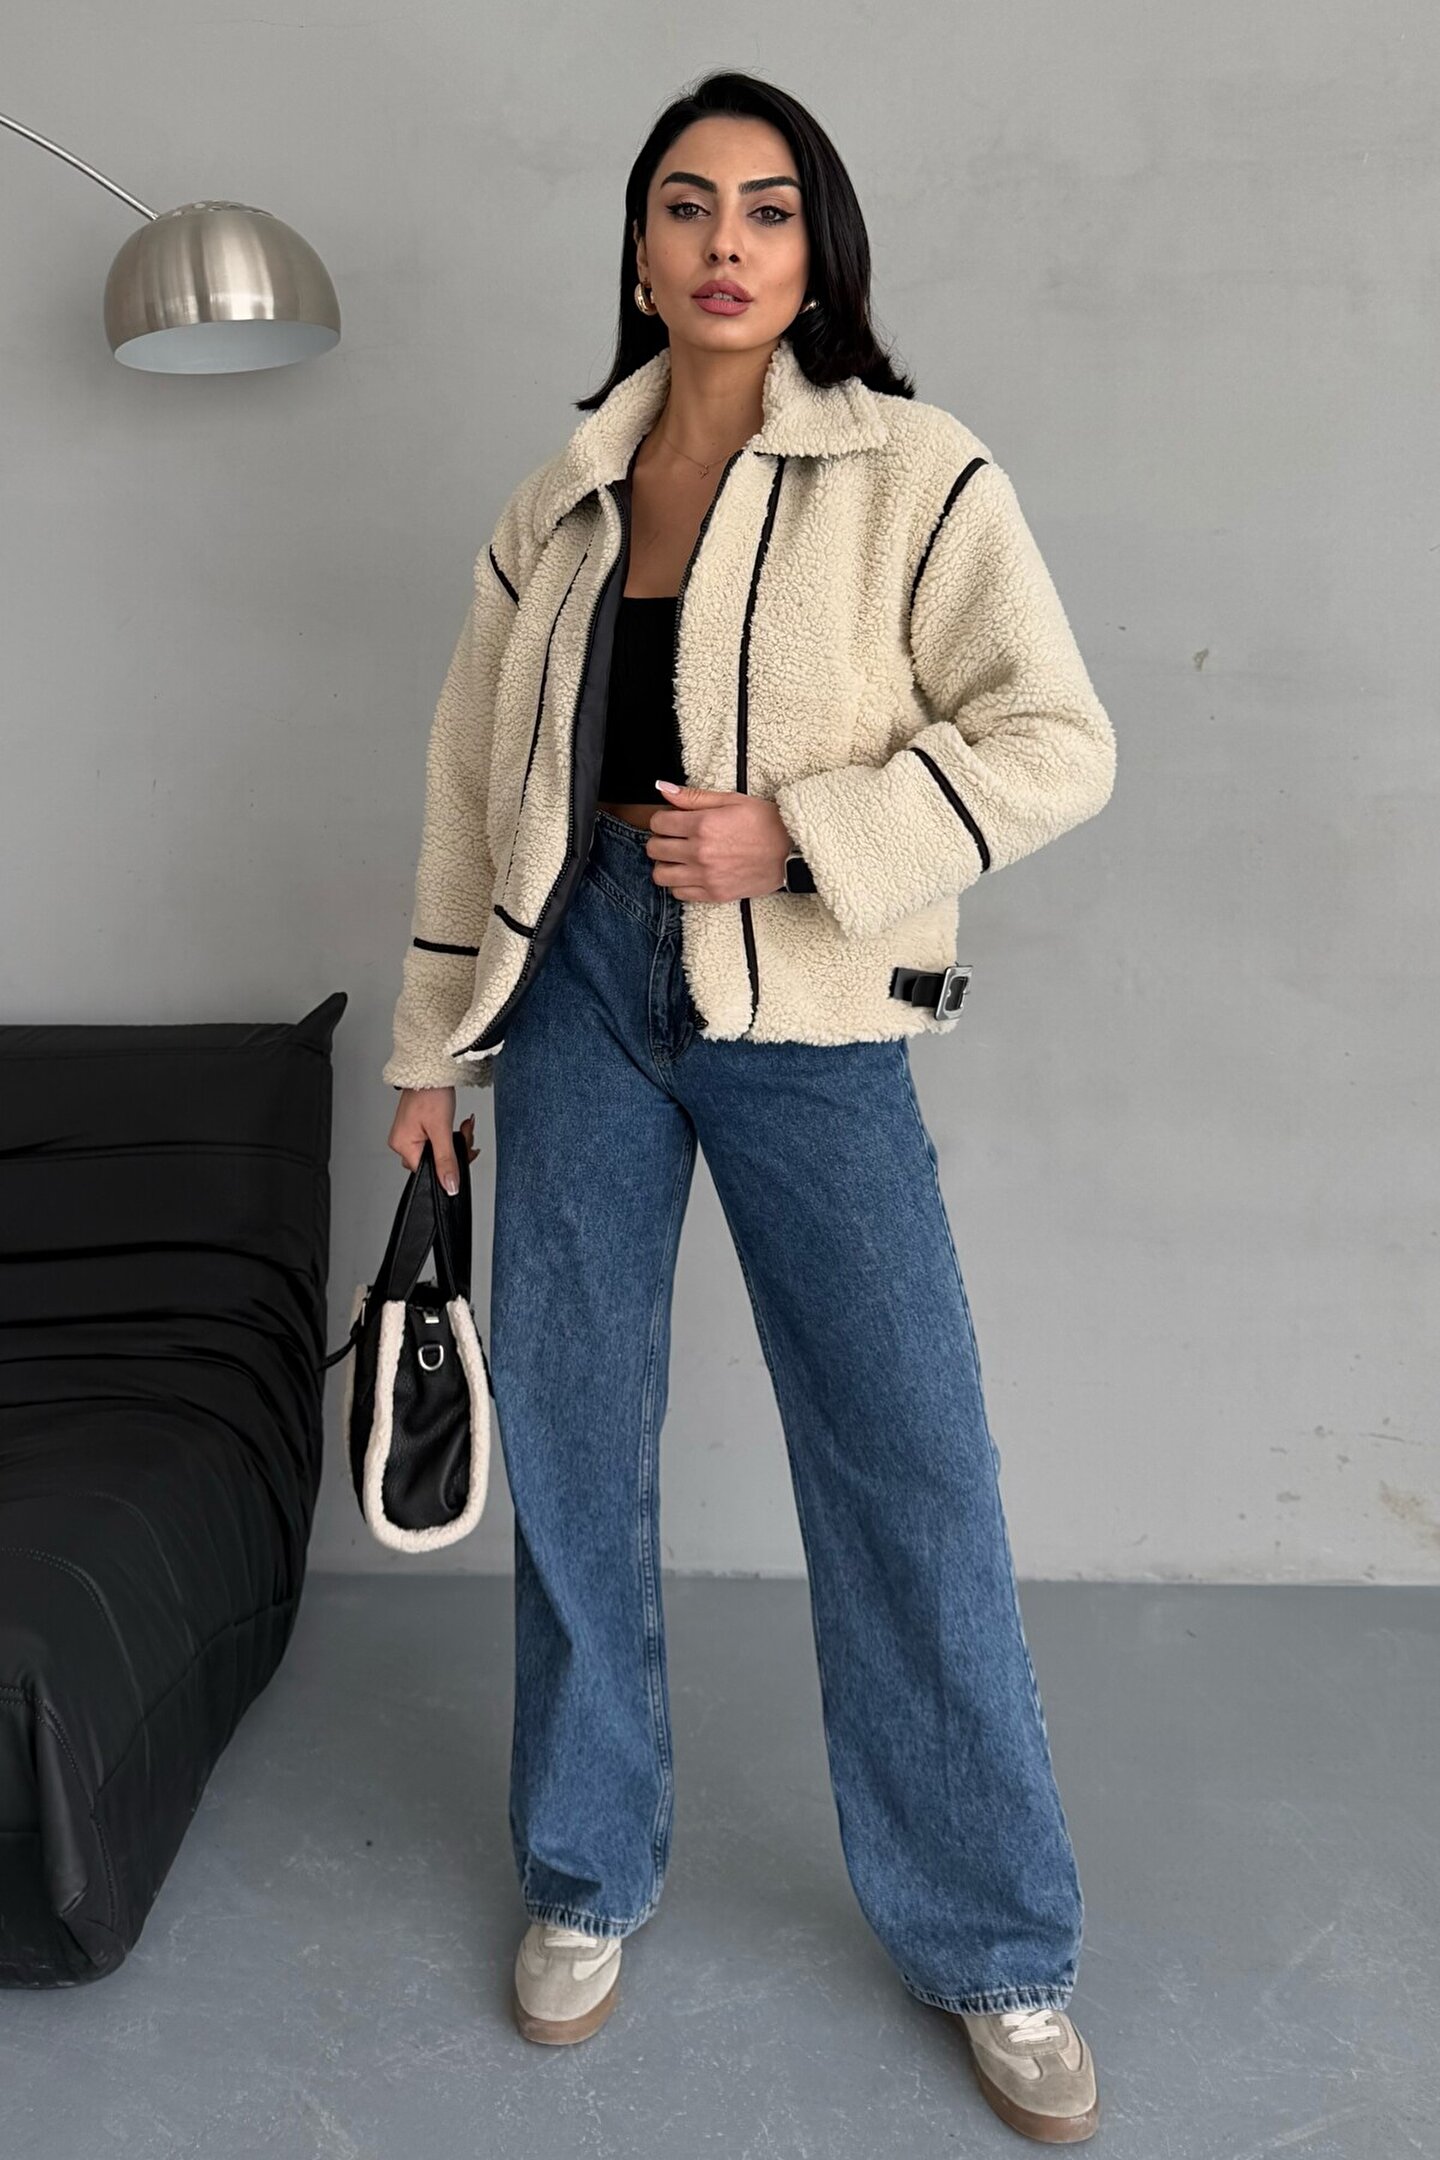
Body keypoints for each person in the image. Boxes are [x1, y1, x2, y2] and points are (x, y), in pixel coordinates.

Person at [385, 69, 1114, 2146]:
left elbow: (1058, 737)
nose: (727, 243)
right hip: (574, 990)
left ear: (817, 251)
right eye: (689, 205)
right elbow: (470, 791)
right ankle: (583, 1873)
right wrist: (430, 1052)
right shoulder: (559, 501)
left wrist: (801, 831)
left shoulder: (914, 471)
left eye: (770, 209)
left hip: (807, 1008)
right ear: (638, 248)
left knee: (909, 1464)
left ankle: (998, 1944)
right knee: (574, 1439)